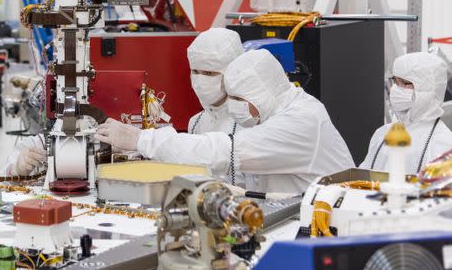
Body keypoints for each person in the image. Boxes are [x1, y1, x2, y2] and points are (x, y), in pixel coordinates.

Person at [96, 49, 354, 194]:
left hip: (321, 229)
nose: (233, 107)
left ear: (262, 93)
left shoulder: (302, 121)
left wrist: (140, 139)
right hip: (286, 215)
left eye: (239, 99)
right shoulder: (269, 111)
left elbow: (223, 152)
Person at [4, 27, 245, 177]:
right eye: (196, 72)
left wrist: (138, 141)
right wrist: (17, 165)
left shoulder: (248, 121)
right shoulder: (198, 122)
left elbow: (211, 152)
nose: (201, 81)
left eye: (210, 74)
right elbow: (8, 167)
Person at [361, 52, 452, 173]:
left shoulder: (443, 145)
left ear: (427, 88)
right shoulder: (382, 134)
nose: (396, 89)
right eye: (396, 82)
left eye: (404, 83)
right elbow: (362, 177)